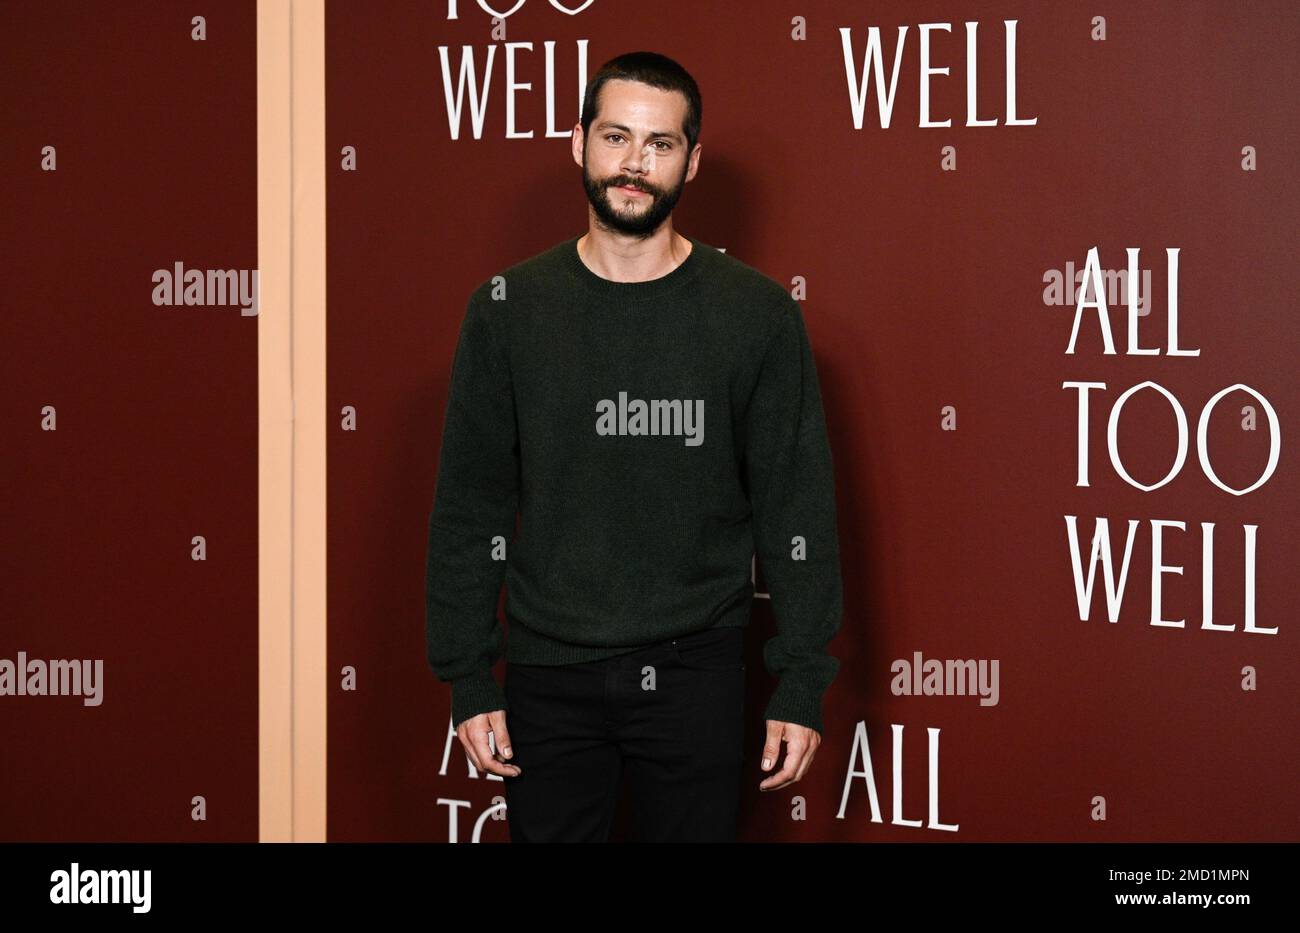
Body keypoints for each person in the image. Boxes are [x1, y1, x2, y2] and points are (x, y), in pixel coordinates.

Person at [425, 51, 843, 842]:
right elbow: (469, 504)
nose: (635, 164)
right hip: (548, 673)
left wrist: (801, 679)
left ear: (692, 161)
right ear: (578, 142)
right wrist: (469, 674)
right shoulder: (507, 310)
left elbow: (798, 505)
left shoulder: (755, 315)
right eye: (617, 137)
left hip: (698, 672)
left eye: (660, 144)